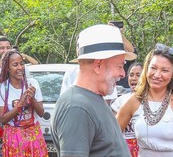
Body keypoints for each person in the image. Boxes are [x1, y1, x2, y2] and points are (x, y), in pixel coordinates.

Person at [50, 24, 131, 156]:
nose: (123, 74)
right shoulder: (76, 108)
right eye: (120, 66)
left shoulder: (92, 98)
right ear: (98, 65)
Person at [0, 49, 48, 156]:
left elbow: (41, 113)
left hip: (33, 135)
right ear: (7, 68)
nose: (20, 68)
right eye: (15, 65)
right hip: (13, 137)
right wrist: (20, 105)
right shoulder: (3, 88)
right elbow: (3, 119)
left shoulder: (32, 83)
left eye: (22, 64)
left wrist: (33, 99)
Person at [111, 62, 143, 157]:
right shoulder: (120, 101)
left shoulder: (150, 101)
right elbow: (113, 128)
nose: (134, 78)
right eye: (131, 75)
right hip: (124, 149)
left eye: (138, 75)